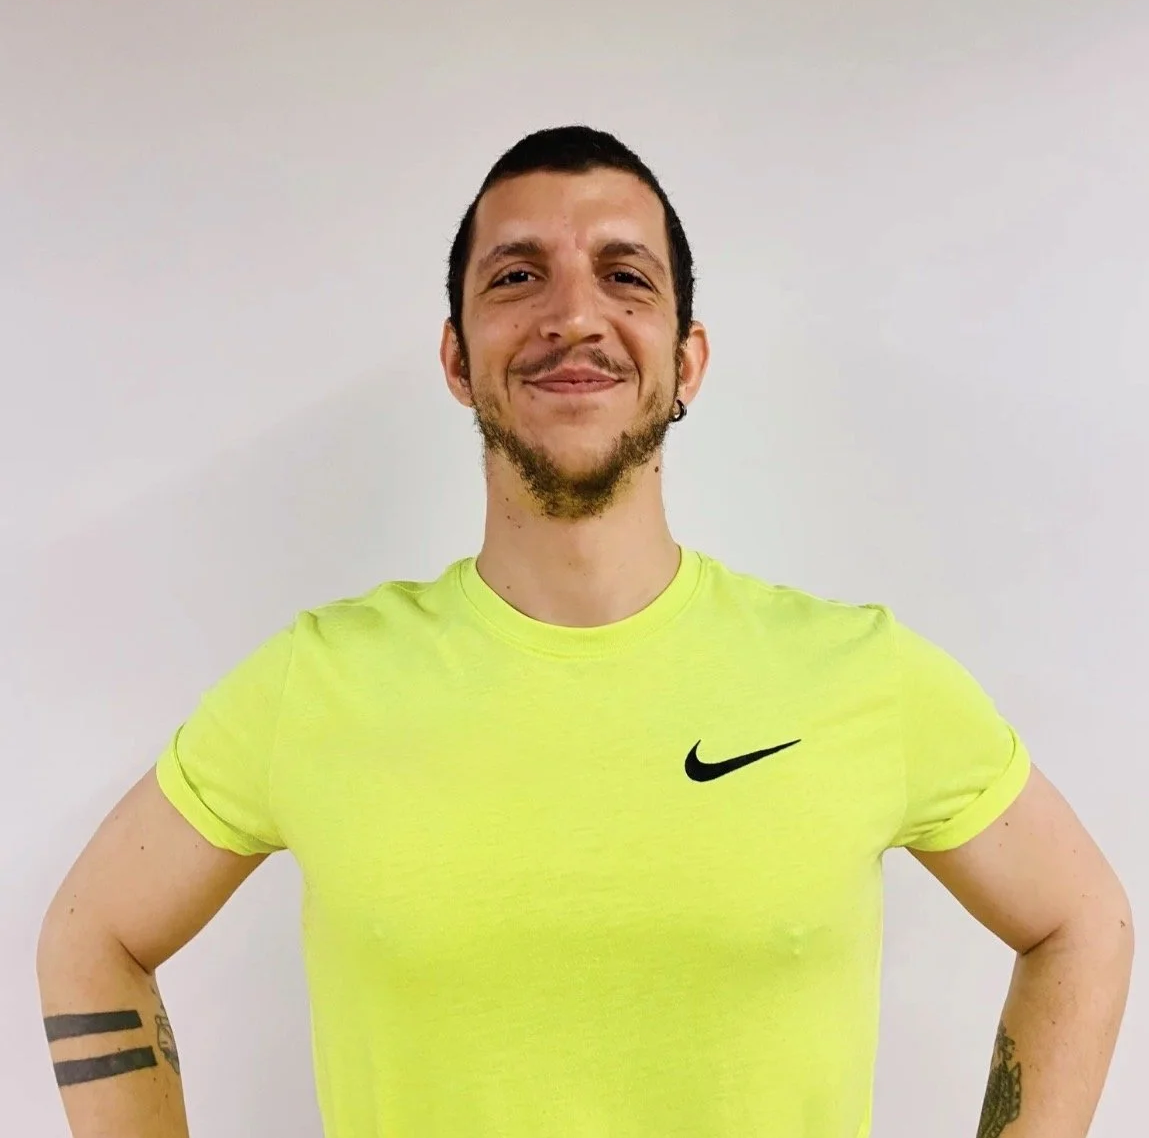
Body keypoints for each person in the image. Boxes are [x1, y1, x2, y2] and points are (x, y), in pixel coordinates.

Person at [37, 126, 1133, 1138]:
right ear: (457, 358)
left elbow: (1082, 921)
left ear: (686, 360)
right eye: (517, 277)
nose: (572, 314)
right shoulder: (314, 681)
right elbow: (92, 936)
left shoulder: (861, 674)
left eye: (625, 276)